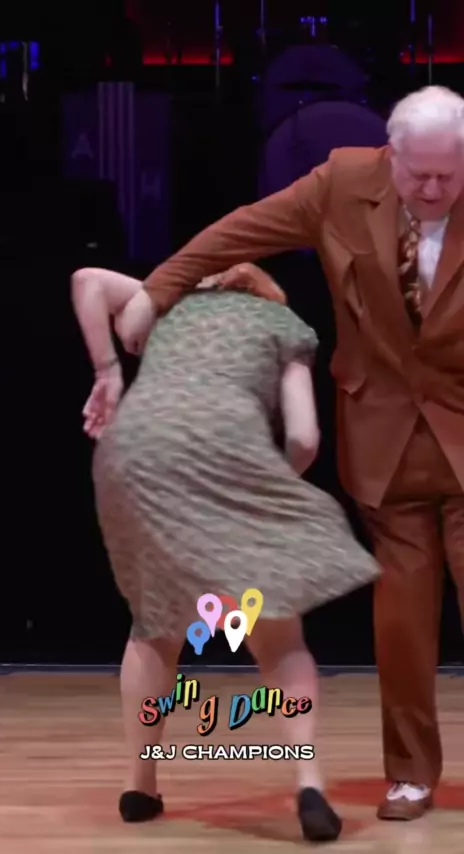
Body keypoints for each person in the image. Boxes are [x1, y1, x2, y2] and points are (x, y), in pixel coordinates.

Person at [113, 85, 464, 822]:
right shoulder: (341, 183)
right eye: (420, 175)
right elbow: (238, 232)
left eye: (449, 175)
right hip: (387, 439)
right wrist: (157, 290)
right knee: (402, 621)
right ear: (391, 155)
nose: (434, 191)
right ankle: (409, 775)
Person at [71, 266, 379, 843]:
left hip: (134, 452)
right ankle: (309, 783)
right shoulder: (284, 324)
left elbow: (87, 280)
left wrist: (108, 372)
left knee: (155, 626)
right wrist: (262, 493)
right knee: (278, 634)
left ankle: (140, 786)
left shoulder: (171, 306)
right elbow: (305, 437)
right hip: (229, 452)